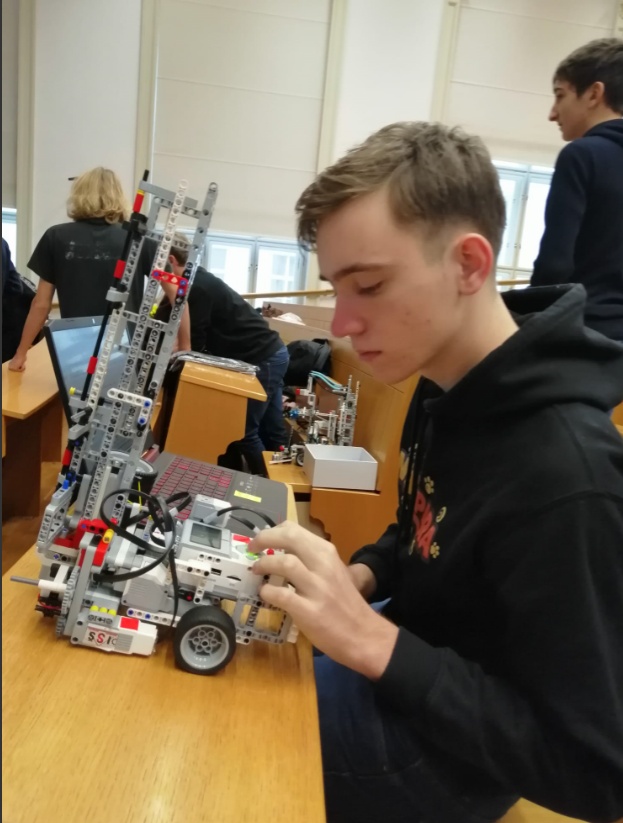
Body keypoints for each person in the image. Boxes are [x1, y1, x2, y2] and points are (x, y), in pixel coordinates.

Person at [246, 122, 623, 823]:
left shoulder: (567, 476)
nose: (342, 324)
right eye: (337, 289)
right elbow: (424, 527)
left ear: (469, 265)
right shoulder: (442, 382)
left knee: (220, 716)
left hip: (444, 758)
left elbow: (597, 773)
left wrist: (369, 639)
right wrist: (361, 576)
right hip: (408, 663)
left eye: (368, 286)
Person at [161, 234, 289, 474]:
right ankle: (280, 479)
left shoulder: (195, 287)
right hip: (271, 352)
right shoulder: (195, 278)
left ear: (170, 260)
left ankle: (266, 483)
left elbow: (194, 344)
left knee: (242, 431)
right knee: (270, 429)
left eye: (158, 267)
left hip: (263, 356)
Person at [8, 167, 154, 372]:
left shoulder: (56, 236)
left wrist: (21, 353)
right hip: (125, 347)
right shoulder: (137, 238)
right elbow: (177, 293)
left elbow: (41, 304)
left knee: (75, 393)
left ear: (79, 194)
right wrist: (184, 347)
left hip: (76, 348)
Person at [531, 37, 623, 342]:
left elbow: (554, 265)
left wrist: (526, 322)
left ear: (594, 93)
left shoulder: (582, 155)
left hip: (587, 338)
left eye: (560, 95)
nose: (552, 113)